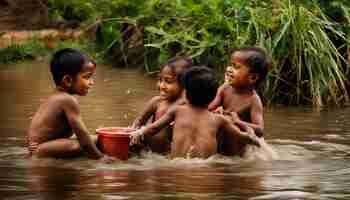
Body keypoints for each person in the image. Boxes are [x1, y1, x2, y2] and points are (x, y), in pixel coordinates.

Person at [129, 66, 260, 159]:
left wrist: (138, 132)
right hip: (206, 167)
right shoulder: (219, 120)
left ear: (185, 92)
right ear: (213, 95)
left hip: (176, 166)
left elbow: (154, 128)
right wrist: (251, 138)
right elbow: (241, 137)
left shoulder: (177, 111)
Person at [27, 48, 113, 162]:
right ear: (68, 80)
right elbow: (83, 138)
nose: (92, 82)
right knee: (84, 145)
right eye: (87, 77)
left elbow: (37, 130)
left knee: (98, 139)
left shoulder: (56, 96)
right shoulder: (67, 100)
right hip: (43, 150)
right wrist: (101, 158)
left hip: (41, 147)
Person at [208, 47, 271, 156]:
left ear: (253, 77)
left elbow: (260, 130)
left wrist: (238, 122)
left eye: (236, 67)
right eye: (231, 65)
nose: (229, 69)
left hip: (238, 154)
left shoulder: (253, 100)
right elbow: (208, 108)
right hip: (219, 147)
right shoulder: (225, 89)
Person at [131, 56, 193, 154]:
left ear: (184, 83)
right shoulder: (156, 102)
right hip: (148, 153)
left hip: (166, 157)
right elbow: (139, 121)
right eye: (160, 80)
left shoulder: (186, 105)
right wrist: (131, 134)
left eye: (168, 81)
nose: (161, 86)